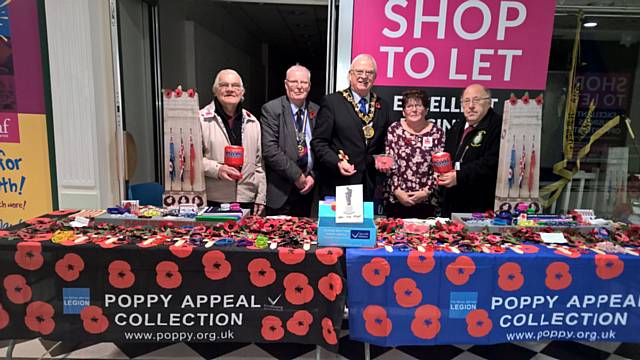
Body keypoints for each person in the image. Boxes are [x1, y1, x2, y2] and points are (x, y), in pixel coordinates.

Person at [311, 54, 393, 201]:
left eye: (369, 72)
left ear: (375, 77)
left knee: (366, 224)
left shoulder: (383, 106)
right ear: (350, 75)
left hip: (369, 185)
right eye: (359, 72)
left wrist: (383, 158)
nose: (364, 76)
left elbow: (383, 144)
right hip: (338, 182)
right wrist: (337, 161)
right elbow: (319, 142)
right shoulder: (332, 102)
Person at [199, 69, 266, 215]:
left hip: (246, 200)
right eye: (224, 85)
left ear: (242, 92)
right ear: (215, 90)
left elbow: (259, 164)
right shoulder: (201, 119)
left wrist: (261, 197)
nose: (230, 89)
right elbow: (190, 160)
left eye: (235, 86)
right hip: (214, 200)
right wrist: (217, 169)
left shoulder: (252, 121)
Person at [261, 65, 319, 216]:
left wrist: (313, 175)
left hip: (308, 190)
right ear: (286, 84)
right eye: (294, 82)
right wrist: (297, 176)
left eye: (304, 82)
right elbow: (270, 150)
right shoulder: (271, 109)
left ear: (309, 86)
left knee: (305, 237)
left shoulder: (317, 111)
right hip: (280, 190)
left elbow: (322, 147)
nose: (299, 87)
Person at [438, 83, 502, 217]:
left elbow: (492, 163)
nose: (471, 105)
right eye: (466, 101)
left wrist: (459, 176)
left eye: (477, 100)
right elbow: (449, 155)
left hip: (479, 205)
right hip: (452, 201)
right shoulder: (458, 125)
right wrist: (440, 172)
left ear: (489, 102)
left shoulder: (498, 126)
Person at [385, 89, 444, 218]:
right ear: (403, 111)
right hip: (397, 198)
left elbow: (440, 168)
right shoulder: (394, 129)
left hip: (427, 199)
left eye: (419, 105)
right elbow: (389, 163)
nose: (414, 110)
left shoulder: (437, 132)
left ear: (426, 110)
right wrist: (397, 190)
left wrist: (426, 192)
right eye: (409, 106)